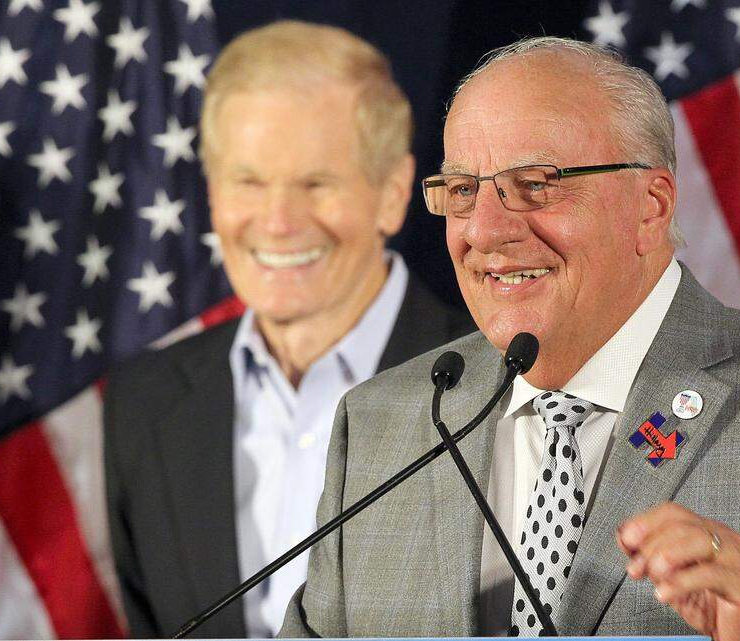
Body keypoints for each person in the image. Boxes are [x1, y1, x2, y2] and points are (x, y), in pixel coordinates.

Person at [278, 37, 740, 640]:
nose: (484, 232)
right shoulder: (382, 425)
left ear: (652, 206)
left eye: (535, 185)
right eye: (462, 190)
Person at [103, 21, 473, 638]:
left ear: (393, 192)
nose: (277, 223)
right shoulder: (145, 404)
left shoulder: (500, 387)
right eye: (248, 181)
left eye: (315, 183)